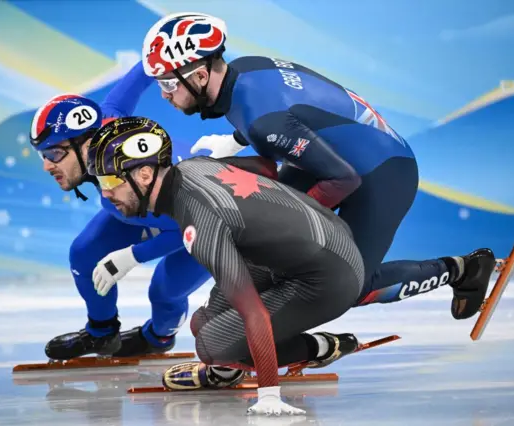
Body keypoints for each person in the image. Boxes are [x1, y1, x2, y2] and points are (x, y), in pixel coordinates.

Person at [140, 12, 496, 320]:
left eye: (168, 83)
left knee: (347, 286)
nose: (164, 94)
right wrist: (234, 142)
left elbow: (341, 177)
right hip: (334, 157)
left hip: (382, 172)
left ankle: (462, 269)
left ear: (200, 76)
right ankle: (248, 332)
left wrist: (291, 227)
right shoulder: (245, 69)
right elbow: (288, 114)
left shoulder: (265, 122)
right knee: (256, 241)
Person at [87, 116, 366, 416]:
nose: (105, 192)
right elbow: (266, 169)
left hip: (330, 278)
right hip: (322, 242)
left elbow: (253, 311)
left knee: (211, 345)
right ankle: (235, 364)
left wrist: (269, 393)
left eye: (110, 180)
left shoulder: (199, 223)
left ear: (143, 174)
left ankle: (319, 347)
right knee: (201, 322)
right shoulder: (193, 166)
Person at [29, 62, 211, 361]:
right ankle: (102, 333)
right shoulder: (105, 124)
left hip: (198, 224)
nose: (47, 166)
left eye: (53, 154)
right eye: (43, 155)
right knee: (85, 252)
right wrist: (158, 52)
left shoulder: (145, 172)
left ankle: (158, 337)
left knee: (165, 291)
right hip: (138, 211)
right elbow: (139, 77)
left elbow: (189, 229)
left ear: (85, 144)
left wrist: (133, 256)